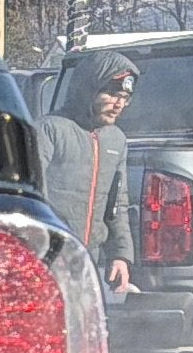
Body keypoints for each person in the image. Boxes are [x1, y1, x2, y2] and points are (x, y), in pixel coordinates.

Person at [38, 52, 140, 293]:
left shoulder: (116, 140)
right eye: (112, 94)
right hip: (47, 258)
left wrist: (121, 255)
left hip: (89, 261)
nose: (119, 104)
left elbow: (117, 205)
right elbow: (31, 197)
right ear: (88, 89)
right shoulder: (49, 130)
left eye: (125, 97)